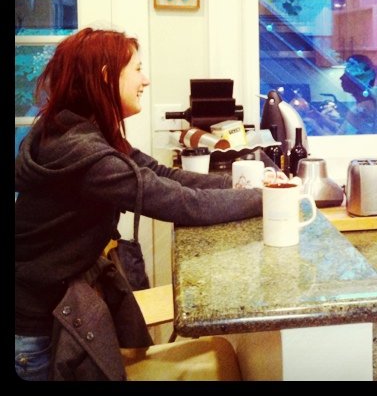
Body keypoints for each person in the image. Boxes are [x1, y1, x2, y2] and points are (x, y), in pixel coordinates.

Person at [14, 27, 271, 380]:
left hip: (48, 310)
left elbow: (164, 175)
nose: (145, 80)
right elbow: (181, 204)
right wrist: (267, 199)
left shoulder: (79, 132)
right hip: (38, 332)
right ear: (106, 76)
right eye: (137, 69)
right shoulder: (86, 155)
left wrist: (248, 184)